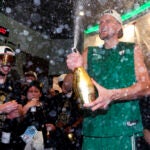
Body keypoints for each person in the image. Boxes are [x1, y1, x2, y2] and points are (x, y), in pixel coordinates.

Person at [66, 9, 150, 150]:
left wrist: (112, 95)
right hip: (93, 129)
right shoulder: (90, 52)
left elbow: (146, 87)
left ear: (119, 27)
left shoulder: (131, 49)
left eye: (108, 21)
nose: (102, 24)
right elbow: (69, 85)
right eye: (100, 22)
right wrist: (75, 69)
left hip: (123, 129)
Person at [47, 73, 83, 150]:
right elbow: (50, 117)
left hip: (75, 137)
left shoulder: (79, 100)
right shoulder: (56, 99)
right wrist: (54, 126)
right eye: (64, 84)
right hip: (58, 138)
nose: (65, 87)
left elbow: (82, 116)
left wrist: (73, 127)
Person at [0, 46, 23, 149]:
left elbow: (21, 112)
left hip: (7, 136)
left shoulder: (14, 85)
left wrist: (17, 113)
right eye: (4, 60)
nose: (7, 65)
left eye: (10, 61)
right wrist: (1, 109)